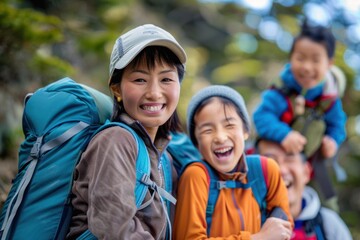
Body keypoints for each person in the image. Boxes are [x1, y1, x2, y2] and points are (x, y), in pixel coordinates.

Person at [66, 24, 187, 239]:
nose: (154, 92)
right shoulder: (115, 140)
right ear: (117, 89)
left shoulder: (165, 158)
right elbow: (115, 229)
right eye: (140, 79)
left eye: (166, 79)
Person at [174, 85, 293, 239]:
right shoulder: (196, 176)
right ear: (197, 143)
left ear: (245, 131)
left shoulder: (266, 170)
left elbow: (284, 229)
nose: (220, 137)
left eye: (229, 125)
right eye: (207, 130)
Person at [253, 20, 347, 208]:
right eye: (300, 58)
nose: (306, 67)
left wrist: (332, 141)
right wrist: (284, 134)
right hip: (271, 160)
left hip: (305, 167)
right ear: (291, 58)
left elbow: (338, 125)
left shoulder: (329, 99)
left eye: (315, 60)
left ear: (329, 63)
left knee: (322, 203)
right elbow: (261, 116)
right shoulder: (280, 92)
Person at [257, 139, 352, 240]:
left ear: (306, 172)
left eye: (289, 158)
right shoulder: (244, 222)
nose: (281, 170)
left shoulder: (328, 225)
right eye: (270, 161)